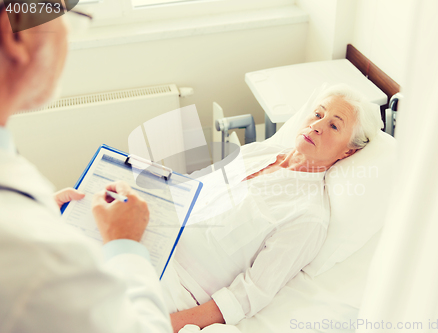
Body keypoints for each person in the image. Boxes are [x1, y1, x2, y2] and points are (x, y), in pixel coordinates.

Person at [0, 2, 173, 332]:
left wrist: (39, 215)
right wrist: (125, 244)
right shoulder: (36, 255)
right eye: (68, 18)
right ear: (16, 32)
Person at [164, 85, 382, 332]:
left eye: (334, 125)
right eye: (318, 114)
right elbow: (197, 187)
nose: (317, 126)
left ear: (348, 151)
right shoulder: (260, 152)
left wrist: (167, 325)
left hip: (177, 287)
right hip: (156, 243)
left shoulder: (308, 215)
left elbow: (250, 294)